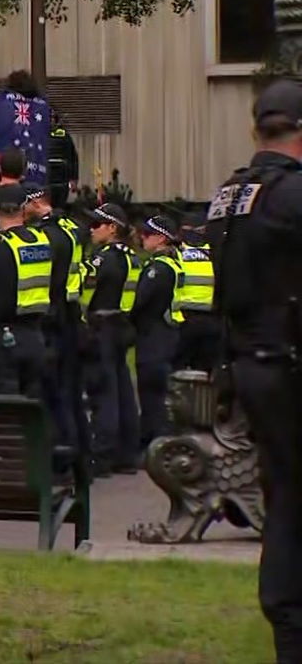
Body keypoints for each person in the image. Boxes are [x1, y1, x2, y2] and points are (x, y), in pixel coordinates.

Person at [206, 78, 302, 663]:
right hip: (291, 364)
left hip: (251, 366)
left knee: (286, 497)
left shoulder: (229, 195)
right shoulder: (293, 196)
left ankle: (287, 626)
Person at [24, 183, 87, 474]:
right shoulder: (72, 227)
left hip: (54, 317)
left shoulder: (48, 236)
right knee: (70, 391)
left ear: (37, 203)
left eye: (25, 204)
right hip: (70, 313)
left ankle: (62, 458)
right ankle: (80, 455)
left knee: (55, 391)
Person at [81, 201, 141, 475]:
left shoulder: (102, 259)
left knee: (104, 392)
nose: (91, 229)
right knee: (123, 390)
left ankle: (102, 455)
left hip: (101, 327)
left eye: (97, 224)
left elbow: (84, 294)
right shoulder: (132, 257)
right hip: (122, 326)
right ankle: (127, 453)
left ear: (112, 228)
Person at [0, 183, 51, 396]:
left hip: (5, 337)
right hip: (36, 335)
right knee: (32, 413)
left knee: (5, 414)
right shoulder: (42, 240)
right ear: (24, 208)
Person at [134, 213, 184, 450]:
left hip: (155, 335)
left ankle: (154, 443)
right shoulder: (175, 262)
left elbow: (141, 301)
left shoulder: (159, 268)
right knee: (160, 392)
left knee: (152, 393)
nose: (142, 238)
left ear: (162, 239)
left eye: (148, 234)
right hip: (167, 334)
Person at [175, 217, 218, 372]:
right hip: (212, 320)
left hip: (184, 320)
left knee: (177, 373)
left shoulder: (178, 253)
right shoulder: (214, 253)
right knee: (206, 373)